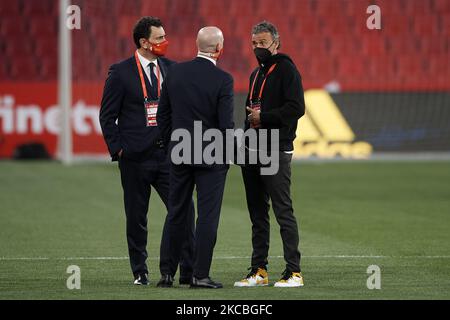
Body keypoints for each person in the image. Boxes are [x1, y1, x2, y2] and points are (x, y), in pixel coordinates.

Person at [99, 17, 194, 286]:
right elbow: (107, 116)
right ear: (144, 42)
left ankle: (188, 269)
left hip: (168, 157)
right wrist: (118, 149)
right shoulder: (120, 72)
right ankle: (140, 271)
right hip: (134, 159)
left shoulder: (173, 69)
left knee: (184, 211)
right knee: (137, 218)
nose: (165, 42)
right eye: (159, 38)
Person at [156, 27, 234, 289]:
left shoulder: (175, 72)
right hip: (211, 156)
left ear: (197, 45)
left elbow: (163, 116)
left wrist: (172, 143)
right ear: (219, 48)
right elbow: (226, 126)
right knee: (207, 217)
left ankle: (167, 274)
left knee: (176, 212)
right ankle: (200, 276)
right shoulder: (223, 80)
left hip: (179, 153)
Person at [234, 21, 306, 288]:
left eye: (262, 43)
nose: (258, 48)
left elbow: (297, 108)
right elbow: (249, 113)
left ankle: (294, 272)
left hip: (276, 149)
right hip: (253, 151)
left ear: (276, 43)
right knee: (257, 213)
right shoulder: (256, 74)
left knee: (282, 211)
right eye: (254, 43)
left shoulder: (287, 70)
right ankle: (259, 270)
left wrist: (264, 117)